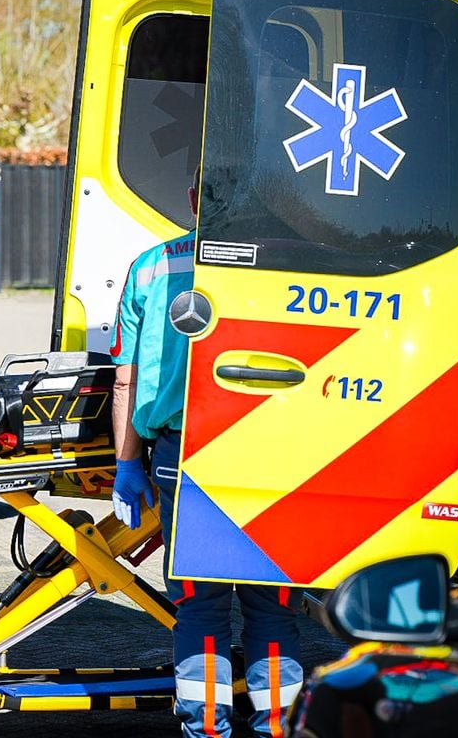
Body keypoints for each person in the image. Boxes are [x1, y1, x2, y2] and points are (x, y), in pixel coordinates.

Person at [110, 179, 302, 738]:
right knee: (271, 606)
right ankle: (278, 725)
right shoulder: (291, 266)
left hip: (183, 452)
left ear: (193, 197)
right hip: (275, 452)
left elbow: (125, 381)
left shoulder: (151, 267)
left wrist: (129, 463)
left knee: (201, 606)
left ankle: (207, 729)